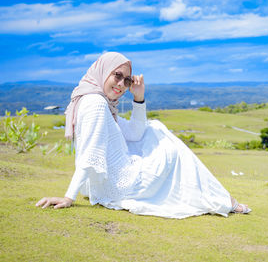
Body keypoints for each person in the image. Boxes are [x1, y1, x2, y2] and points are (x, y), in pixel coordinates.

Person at [35, 52, 251, 218]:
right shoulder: (96, 104)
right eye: (117, 76)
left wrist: (138, 98)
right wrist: (68, 197)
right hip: (124, 185)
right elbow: (90, 153)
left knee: (154, 128)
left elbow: (136, 133)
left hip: (107, 184)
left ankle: (221, 198)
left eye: (127, 81)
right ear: (102, 71)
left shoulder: (95, 100)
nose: (121, 85)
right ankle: (225, 200)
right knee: (171, 147)